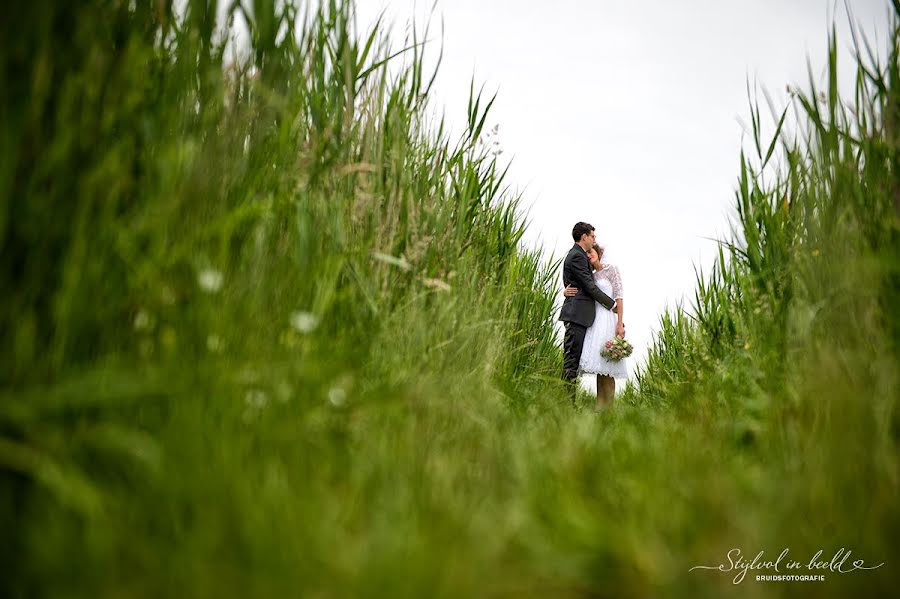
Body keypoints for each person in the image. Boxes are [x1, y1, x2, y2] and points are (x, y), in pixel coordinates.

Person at [559, 222, 618, 403]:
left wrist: (566, 290)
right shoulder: (577, 256)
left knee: (573, 361)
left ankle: (569, 403)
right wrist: (612, 305)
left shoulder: (580, 257)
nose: (594, 239)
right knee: (571, 362)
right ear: (584, 237)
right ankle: (565, 405)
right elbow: (590, 287)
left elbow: (575, 282)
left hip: (581, 315)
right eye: (592, 236)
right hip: (576, 315)